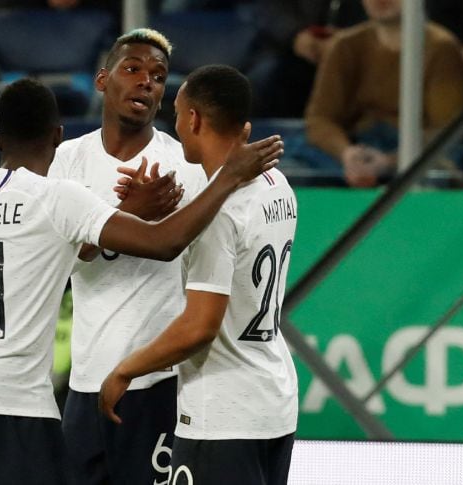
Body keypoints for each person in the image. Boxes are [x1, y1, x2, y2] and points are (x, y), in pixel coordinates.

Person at [0, 78, 283, 484]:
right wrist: (227, 179)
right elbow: (165, 243)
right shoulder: (58, 199)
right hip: (15, 404)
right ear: (58, 137)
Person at [99, 64, 298, 485]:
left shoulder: (220, 213)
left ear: (193, 119)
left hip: (223, 415)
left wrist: (125, 370)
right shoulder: (278, 184)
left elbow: (199, 327)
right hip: (274, 401)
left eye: (176, 112)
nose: (175, 122)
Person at [47, 28, 209, 484]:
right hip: (84, 381)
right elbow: (51, 261)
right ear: (103, 80)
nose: (146, 82)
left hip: (155, 383)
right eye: (133, 69)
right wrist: (125, 215)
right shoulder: (66, 162)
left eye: (158, 76)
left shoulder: (182, 168)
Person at [303, 0, 463, 187]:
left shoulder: (441, 47)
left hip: (414, 151)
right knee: (287, 168)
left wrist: (389, 161)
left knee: (441, 171)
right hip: (354, 146)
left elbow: (446, 131)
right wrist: (346, 153)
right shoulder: (345, 45)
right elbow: (319, 119)